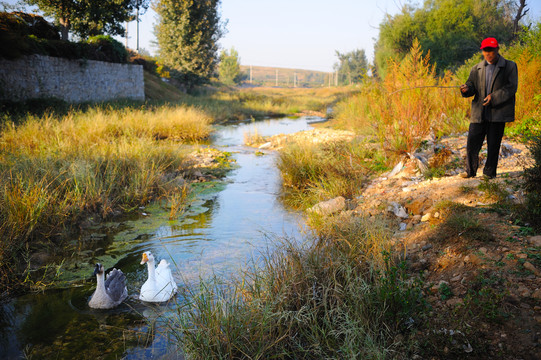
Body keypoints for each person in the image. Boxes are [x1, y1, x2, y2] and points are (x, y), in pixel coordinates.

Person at [460, 37, 518, 179]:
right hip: (479, 112)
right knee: (472, 144)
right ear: (482, 51)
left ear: (497, 49)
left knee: (493, 144)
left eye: (491, 50)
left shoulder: (510, 66)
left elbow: (511, 88)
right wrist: (466, 89)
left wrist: (494, 97)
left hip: (498, 113)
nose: (488, 54)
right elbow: (471, 86)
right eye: (485, 51)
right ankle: (470, 171)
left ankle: (489, 173)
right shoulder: (476, 68)